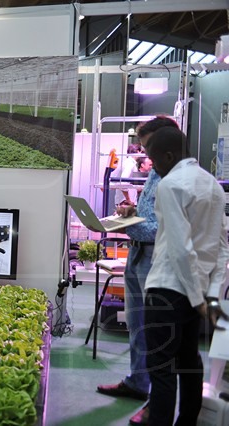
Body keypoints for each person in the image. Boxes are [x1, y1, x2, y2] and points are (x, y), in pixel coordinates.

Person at [140, 126, 229, 426]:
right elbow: (222, 248)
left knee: (162, 370)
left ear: (169, 156)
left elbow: (180, 249)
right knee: (189, 363)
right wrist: (209, 296)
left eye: (154, 161)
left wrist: (196, 298)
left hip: (167, 289)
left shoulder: (170, 185)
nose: (154, 168)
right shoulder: (213, 185)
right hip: (197, 293)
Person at [96, 116, 180, 425]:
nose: (145, 154)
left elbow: (166, 229)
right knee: (137, 324)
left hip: (156, 258)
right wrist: (132, 211)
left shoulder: (178, 177)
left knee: (155, 331)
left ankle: (155, 401)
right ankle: (137, 382)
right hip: (137, 254)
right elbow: (152, 215)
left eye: (148, 148)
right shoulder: (157, 172)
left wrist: (129, 227)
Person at [110, 143, 142, 207]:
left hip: (125, 202)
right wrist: (128, 200)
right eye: (141, 152)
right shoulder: (130, 164)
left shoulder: (127, 162)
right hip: (125, 203)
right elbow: (123, 182)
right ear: (137, 151)